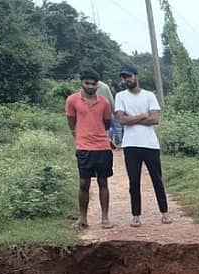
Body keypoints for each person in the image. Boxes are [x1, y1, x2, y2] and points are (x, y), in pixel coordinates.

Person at [114, 65, 172, 227]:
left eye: (129, 76)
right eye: (125, 77)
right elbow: (121, 120)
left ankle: (165, 212)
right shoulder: (120, 96)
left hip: (150, 144)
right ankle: (136, 215)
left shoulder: (149, 96)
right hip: (130, 145)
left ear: (136, 76)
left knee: (157, 179)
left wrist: (132, 118)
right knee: (134, 181)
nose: (127, 80)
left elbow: (155, 119)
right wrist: (142, 116)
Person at [65, 68, 113, 229]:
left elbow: (107, 123)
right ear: (82, 83)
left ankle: (105, 218)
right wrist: (79, 136)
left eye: (93, 84)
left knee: (103, 182)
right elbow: (71, 121)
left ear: (97, 85)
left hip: (102, 147)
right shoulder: (72, 100)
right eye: (87, 83)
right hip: (84, 147)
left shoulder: (104, 102)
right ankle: (83, 218)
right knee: (84, 183)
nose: (90, 86)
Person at [96, 79, 123, 148]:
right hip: (108, 110)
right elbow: (111, 99)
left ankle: (108, 140)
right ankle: (119, 142)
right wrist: (114, 111)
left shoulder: (90, 87)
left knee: (108, 128)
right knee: (117, 126)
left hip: (97, 112)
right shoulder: (105, 87)